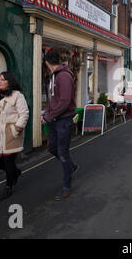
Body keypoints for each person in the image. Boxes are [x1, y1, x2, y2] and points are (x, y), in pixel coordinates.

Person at [0, 72, 29, 200]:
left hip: (11, 135)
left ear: (9, 81)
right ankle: (15, 172)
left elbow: (24, 113)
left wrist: (16, 129)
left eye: (3, 80)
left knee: (8, 161)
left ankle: (8, 186)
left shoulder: (17, 96)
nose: (0, 82)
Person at [41, 50, 79, 200]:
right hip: (56, 120)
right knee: (52, 148)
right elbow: (54, 99)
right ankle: (70, 166)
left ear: (47, 63)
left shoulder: (63, 76)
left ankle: (66, 186)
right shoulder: (55, 76)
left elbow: (64, 102)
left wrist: (48, 117)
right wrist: (47, 114)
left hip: (64, 120)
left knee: (63, 153)